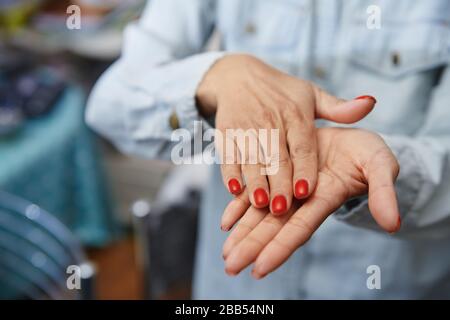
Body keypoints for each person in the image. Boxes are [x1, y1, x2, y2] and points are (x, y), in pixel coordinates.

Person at [86, 0, 450, 299]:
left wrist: (385, 170)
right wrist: (214, 77)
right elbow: (110, 103)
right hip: (237, 289)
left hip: (390, 283)